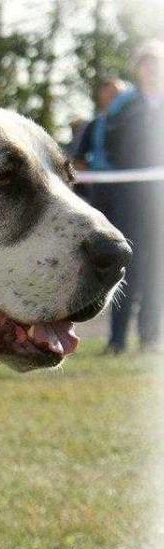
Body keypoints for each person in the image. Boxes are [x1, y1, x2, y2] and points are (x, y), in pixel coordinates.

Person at [103, 41, 164, 353]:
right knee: (127, 267)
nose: (152, 69)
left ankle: (150, 338)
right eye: (147, 63)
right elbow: (106, 141)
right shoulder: (124, 105)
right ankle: (117, 340)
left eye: (157, 63)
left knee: (157, 269)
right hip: (130, 197)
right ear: (139, 68)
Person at [74, 78, 127, 210]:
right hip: (101, 188)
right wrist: (91, 182)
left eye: (116, 94)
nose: (112, 98)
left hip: (130, 187)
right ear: (101, 97)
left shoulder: (134, 123)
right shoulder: (94, 125)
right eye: (108, 94)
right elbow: (79, 159)